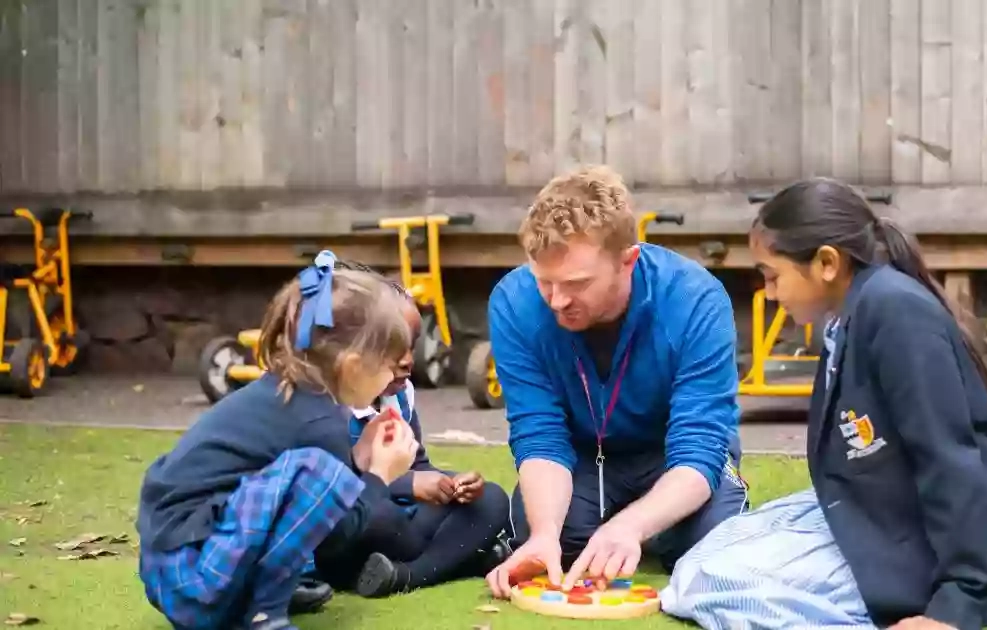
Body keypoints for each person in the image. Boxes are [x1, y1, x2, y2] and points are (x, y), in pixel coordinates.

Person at [661, 179, 987, 630]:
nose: (769, 292)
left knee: (716, 582)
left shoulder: (896, 312)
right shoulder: (847, 315)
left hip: (930, 542)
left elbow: (949, 460)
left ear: (825, 263)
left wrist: (957, 603)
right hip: (870, 509)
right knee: (702, 558)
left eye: (772, 275)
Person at [483, 165, 749, 598]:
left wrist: (632, 525)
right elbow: (539, 433)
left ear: (628, 260)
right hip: (580, 459)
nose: (557, 300)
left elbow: (699, 445)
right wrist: (544, 533)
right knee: (547, 541)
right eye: (544, 281)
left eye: (576, 284)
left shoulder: (696, 299)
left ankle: (644, 530)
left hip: (670, 456)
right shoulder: (513, 302)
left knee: (719, 546)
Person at [136, 251, 420, 630]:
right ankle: (261, 616)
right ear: (352, 366)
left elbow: (300, 504)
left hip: (170, 569)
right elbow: (339, 534)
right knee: (317, 474)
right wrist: (379, 475)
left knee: (315, 477)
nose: (391, 380)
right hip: (193, 578)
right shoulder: (318, 418)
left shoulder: (291, 395)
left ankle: (256, 595)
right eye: (388, 366)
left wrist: (358, 457)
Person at [314, 270, 512, 597]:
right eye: (395, 348)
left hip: (406, 522)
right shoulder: (331, 406)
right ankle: (457, 559)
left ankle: (404, 575)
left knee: (490, 500)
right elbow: (332, 490)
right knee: (381, 518)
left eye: (413, 345)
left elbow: (418, 464)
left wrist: (450, 484)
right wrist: (409, 484)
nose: (408, 361)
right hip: (353, 524)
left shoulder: (400, 394)